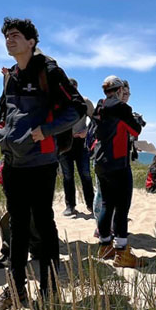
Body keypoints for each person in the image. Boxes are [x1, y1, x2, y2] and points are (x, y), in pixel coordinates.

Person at [0, 17, 86, 310]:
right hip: (13, 160)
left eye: (15, 35)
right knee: (17, 226)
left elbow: (78, 107)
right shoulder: (12, 75)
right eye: (6, 36)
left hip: (41, 161)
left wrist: (47, 130)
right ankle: (16, 291)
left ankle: (50, 292)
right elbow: (2, 110)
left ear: (31, 41)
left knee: (43, 223)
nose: (9, 40)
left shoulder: (50, 71)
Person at [91, 75, 144, 268]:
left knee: (106, 203)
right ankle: (122, 252)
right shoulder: (122, 108)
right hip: (117, 162)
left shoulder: (100, 105)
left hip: (100, 159)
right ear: (120, 90)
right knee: (122, 206)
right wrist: (136, 120)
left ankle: (105, 245)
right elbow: (135, 130)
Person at [59, 78, 95, 217]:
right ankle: (70, 206)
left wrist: (87, 132)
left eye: (73, 87)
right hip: (64, 143)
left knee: (85, 174)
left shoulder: (85, 101)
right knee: (67, 176)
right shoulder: (60, 101)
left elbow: (95, 120)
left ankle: (91, 204)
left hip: (82, 142)